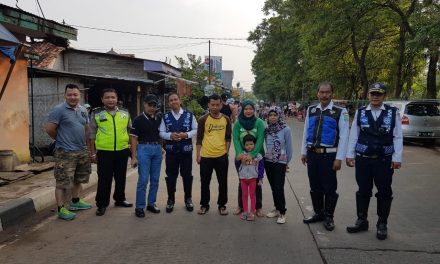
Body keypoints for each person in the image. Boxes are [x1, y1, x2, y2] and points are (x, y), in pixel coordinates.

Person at [346, 83, 403, 240]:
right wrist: (350, 155)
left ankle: (382, 224)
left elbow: (397, 136)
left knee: (384, 191)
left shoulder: (393, 113)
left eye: (379, 94)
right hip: (363, 159)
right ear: (368, 95)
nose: (375, 97)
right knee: (363, 190)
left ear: (384, 96)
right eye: (373, 94)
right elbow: (354, 135)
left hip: (384, 160)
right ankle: (362, 220)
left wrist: (397, 158)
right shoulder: (361, 112)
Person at [301, 81, 349, 231]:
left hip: (329, 156)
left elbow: (344, 137)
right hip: (312, 154)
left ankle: (329, 216)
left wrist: (339, 158)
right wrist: (304, 152)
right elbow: (306, 131)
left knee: (329, 188)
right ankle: (318, 213)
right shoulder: (312, 110)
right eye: (321, 92)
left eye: (327, 92)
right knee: (315, 186)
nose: (324, 95)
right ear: (317, 94)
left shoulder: (340, 112)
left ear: (332, 94)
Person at [46, 84, 92, 221]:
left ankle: (76, 202)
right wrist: (61, 140)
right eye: (69, 95)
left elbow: (86, 127)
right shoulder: (58, 110)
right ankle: (61, 209)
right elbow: (50, 129)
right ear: (65, 95)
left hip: (81, 150)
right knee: (62, 182)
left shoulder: (83, 109)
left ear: (80, 96)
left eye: (75, 95)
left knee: (79, 178)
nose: (73, 97)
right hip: (65, 152)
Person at [88, 88, 133, 216]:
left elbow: (130, 130)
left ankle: (119, 199)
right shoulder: (96, 113)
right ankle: (102, 204)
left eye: (113, 97)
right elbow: (91, 134)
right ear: (102, 99)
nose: (110, 100)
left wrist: (131, 148)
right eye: (107, 97)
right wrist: (92, 153)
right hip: (104, 151)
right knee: (104, 179)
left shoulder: (125, 113)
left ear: (117, 99)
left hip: (122, 150)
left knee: (120, 177)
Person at [159, 93, 198, 213]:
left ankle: (188, 199)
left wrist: (186, 135)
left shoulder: (189, 115)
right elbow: (161, 132)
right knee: (171, 176)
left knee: (187, 175)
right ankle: (171, 200)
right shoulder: (165, 117)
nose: (173, 102)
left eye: (175, 99)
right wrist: (170, 135)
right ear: (169, 103)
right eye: (171, 100)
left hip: (185, 151)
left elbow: (196, 129)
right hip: (171, 152)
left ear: (180, 101)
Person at [196, 94, 232, 216]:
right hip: (206, 156)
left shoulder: (226, 119)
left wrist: (226, 152)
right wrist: (198, 154)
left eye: (218, 105)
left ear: (221, 105)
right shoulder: (203, 119)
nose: (215, 107)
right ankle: (204, 205)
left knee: (223, 182)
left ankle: (222, 205)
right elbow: (199, 138)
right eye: (213, 105)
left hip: (221, 156)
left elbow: (228, 138)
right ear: (209, 105)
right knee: (205, 182)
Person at [130, 94, 163, 218]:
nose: (152, 107)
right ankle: (139, 206)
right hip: (143, 148)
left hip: (157, 149)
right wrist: (133, 157)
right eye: (150, 105)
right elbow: (133, 138)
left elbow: (161, 133)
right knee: (143, 179)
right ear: (145, 105)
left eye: (154, 105)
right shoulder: (138, 120)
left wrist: (162, 147)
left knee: (155, 179)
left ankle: (151, 203)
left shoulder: (159, 118)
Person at [232, 99, 266, 217]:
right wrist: (240, 154)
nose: (248, 111)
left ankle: (258, 208)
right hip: (241, 158)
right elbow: (236, 139)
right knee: (242, 181)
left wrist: (252, 155)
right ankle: (241, 206)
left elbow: (260, 140)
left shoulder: (259, 123)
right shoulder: (237, 123)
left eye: (251, 109)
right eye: (246, 109)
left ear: (254, 110)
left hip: (257, 157)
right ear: (242, 109)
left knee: (256, 182)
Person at [264, 106, 293, 224]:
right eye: (270, 115)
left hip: (280, 162)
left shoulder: (286, 129)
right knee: (273, 188)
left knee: (278, 188)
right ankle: (276, 208)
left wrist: (287, 162)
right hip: (268, 162)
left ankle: (282, 212)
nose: (272, 117)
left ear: (279, 116)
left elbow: (289, 148)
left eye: (275, 115)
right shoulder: (267, 129)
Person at [236, 134, 264, 221]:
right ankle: (245, 212)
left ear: (255, 144)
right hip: (243, 179)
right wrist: (238, 159)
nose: (249, 146)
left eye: (251, 144)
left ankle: (252, 212)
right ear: (244, 145)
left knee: (252, 195)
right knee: (244, 195)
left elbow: (261, 168)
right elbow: (237, 165)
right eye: (247, 145)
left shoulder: (258, 156)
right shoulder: (241, 154)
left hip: (253, 179)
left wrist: (260, 178)